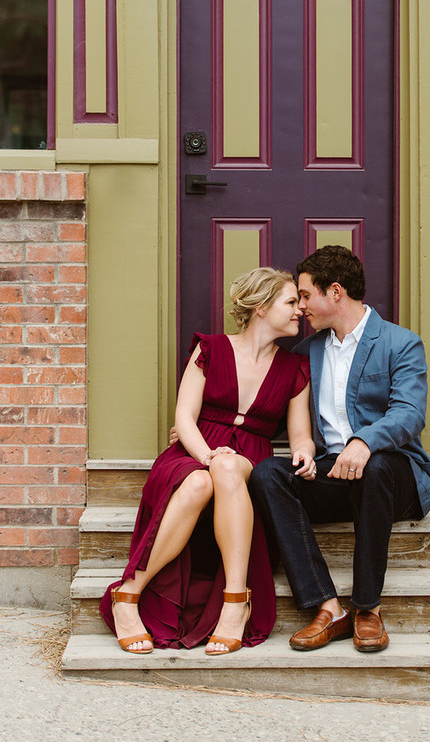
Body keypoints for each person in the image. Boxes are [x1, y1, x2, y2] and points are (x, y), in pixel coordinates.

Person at [99, 267, 315, 656]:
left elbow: (301, 436)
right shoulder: (211, 348)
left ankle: (236, 603)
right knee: (201, 481)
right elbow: (184, 418)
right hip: (193, 448)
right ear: (261, 307)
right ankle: (127, 596)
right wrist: (207, 456)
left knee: (229, 468)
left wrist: (305, 453)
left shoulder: (294, 368)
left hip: (249, 456)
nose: (300, 309)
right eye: (290, 301)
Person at [249, 246, 430, 653]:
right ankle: (327, 605)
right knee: (267, 474)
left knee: (375, 469)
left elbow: (409, 414)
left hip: (393, 476)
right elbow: (266, 408)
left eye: (304, 295)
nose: (301, 307)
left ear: (335, 292)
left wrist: (364, 442)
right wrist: (209, 429)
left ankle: (367, 608)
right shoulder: (305, 354)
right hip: (331, 473)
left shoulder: (401, 343)